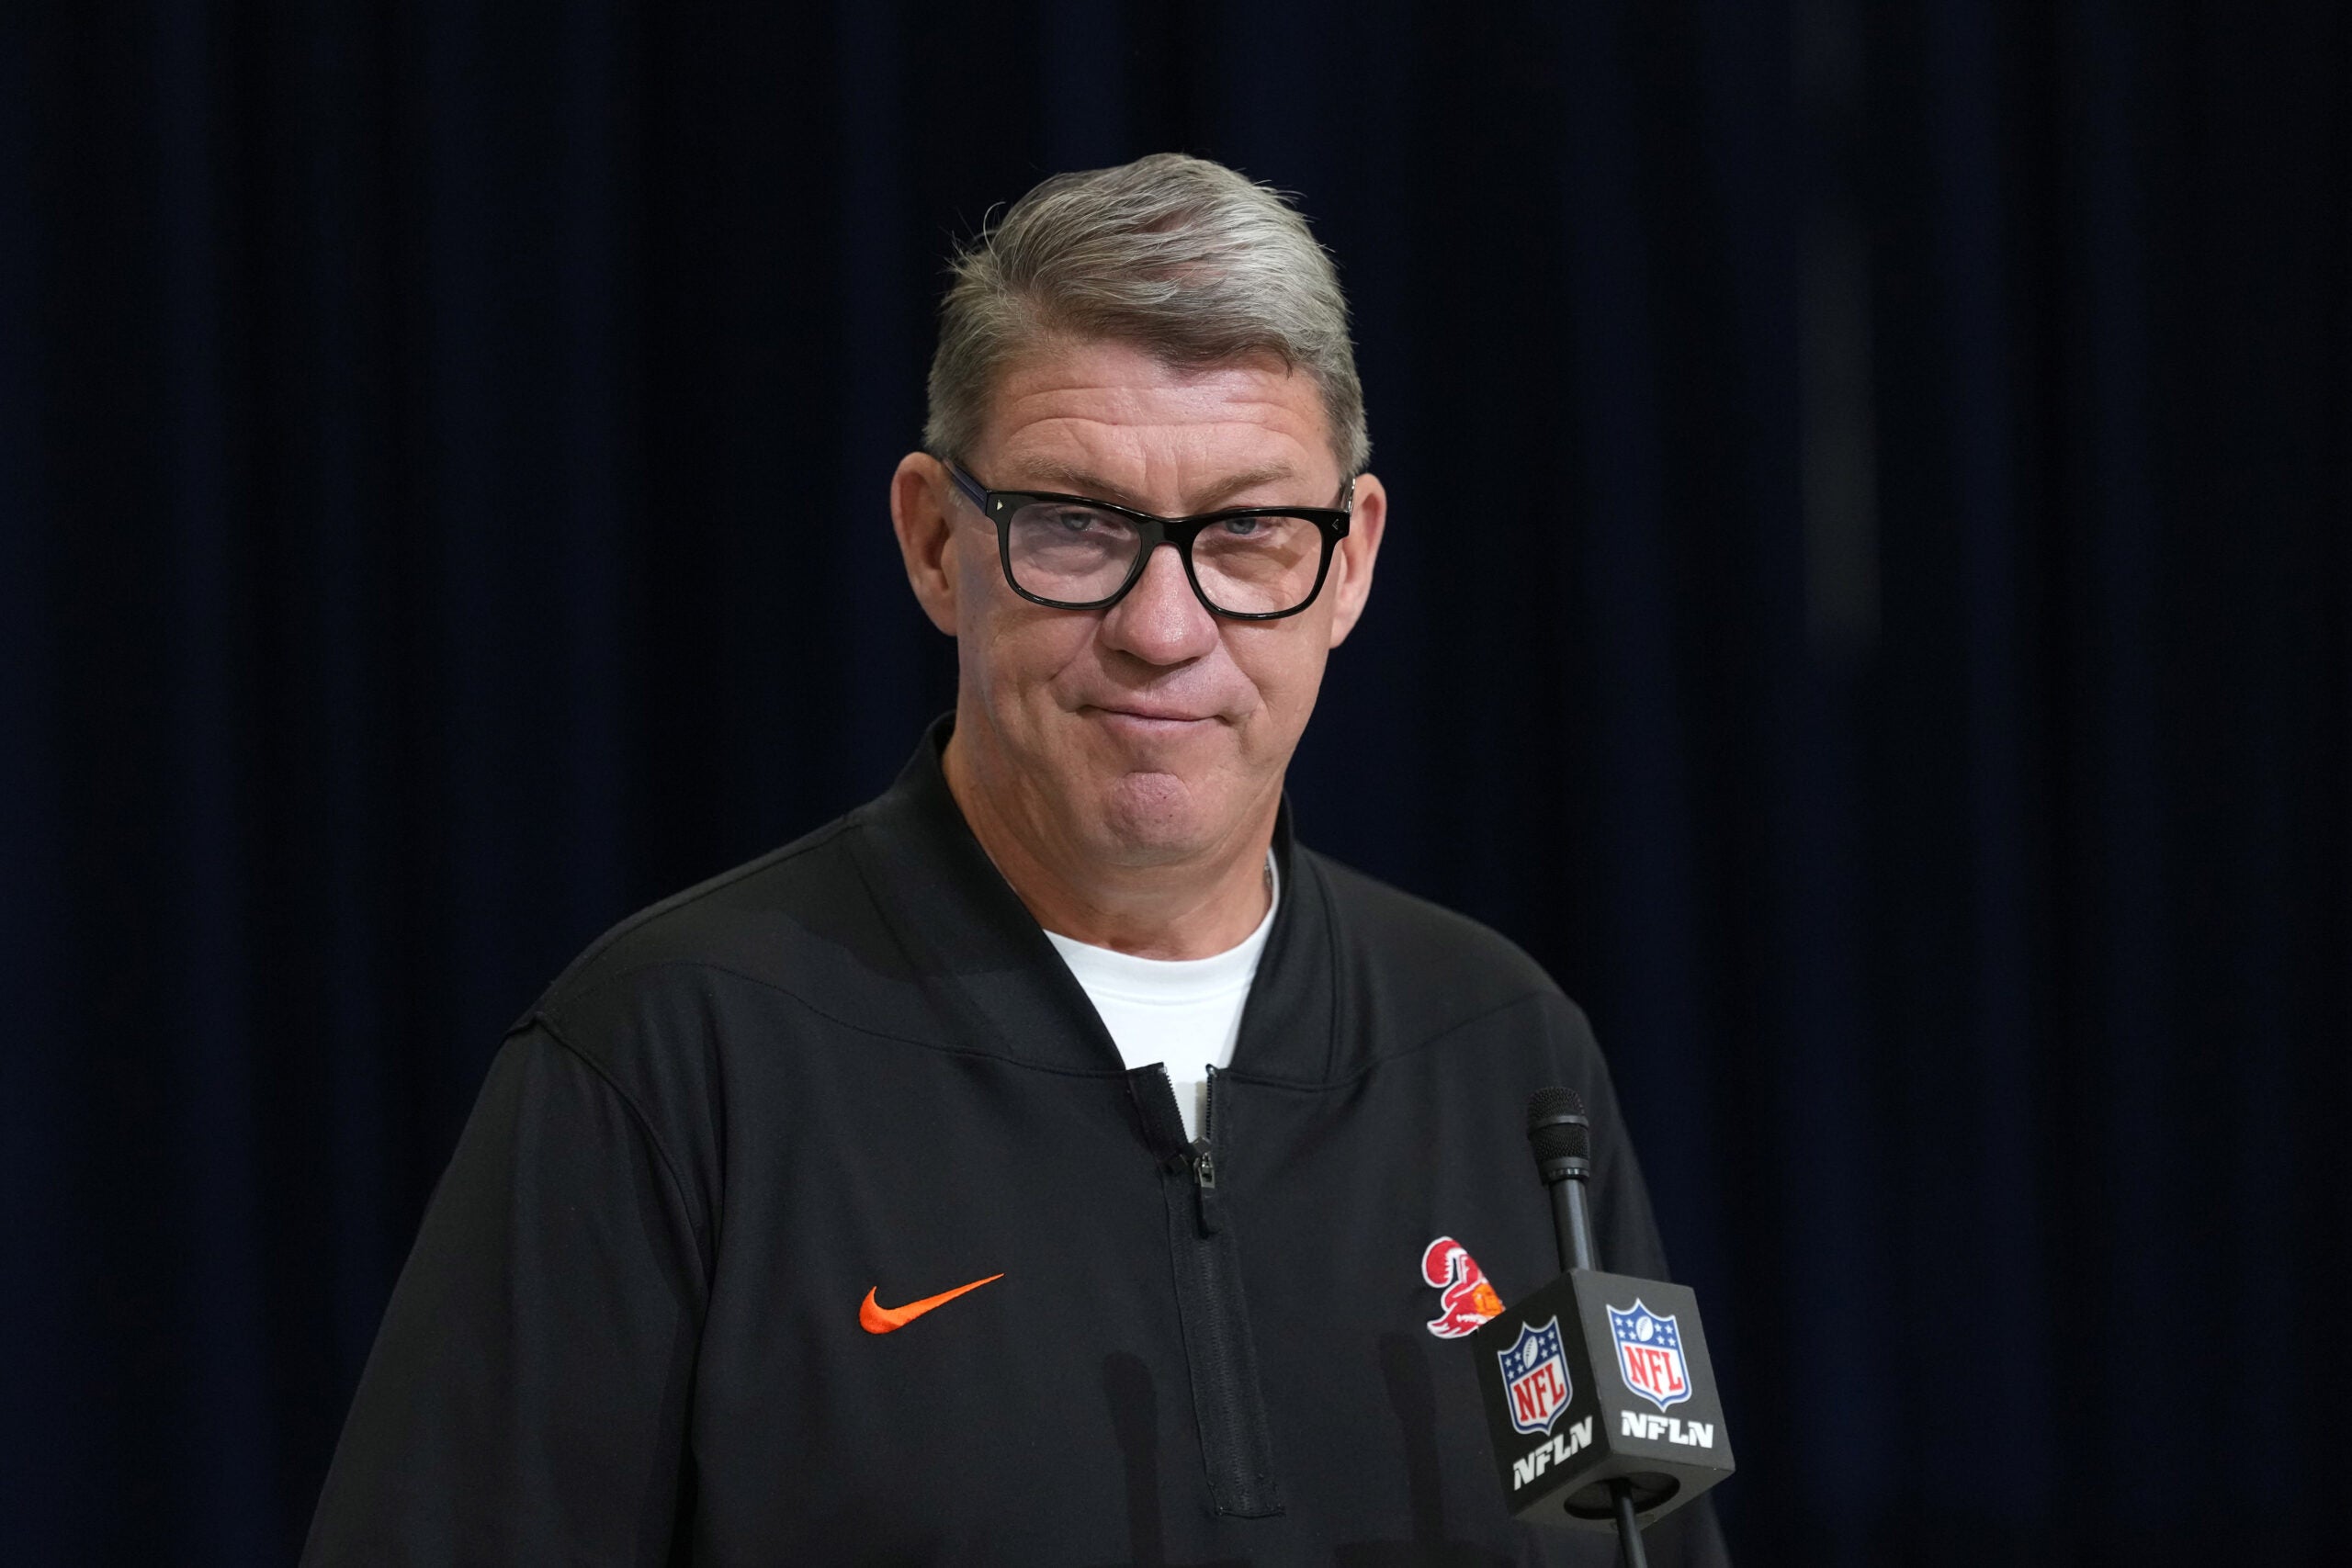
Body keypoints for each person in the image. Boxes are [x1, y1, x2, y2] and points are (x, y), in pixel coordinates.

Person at [303, 152, 1730, 1566]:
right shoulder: (672, 1059)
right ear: (935, 541)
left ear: (1347, 563)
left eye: (1245, 534)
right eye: (1078, 525)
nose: (1164, 628)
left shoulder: (1505, 1055)